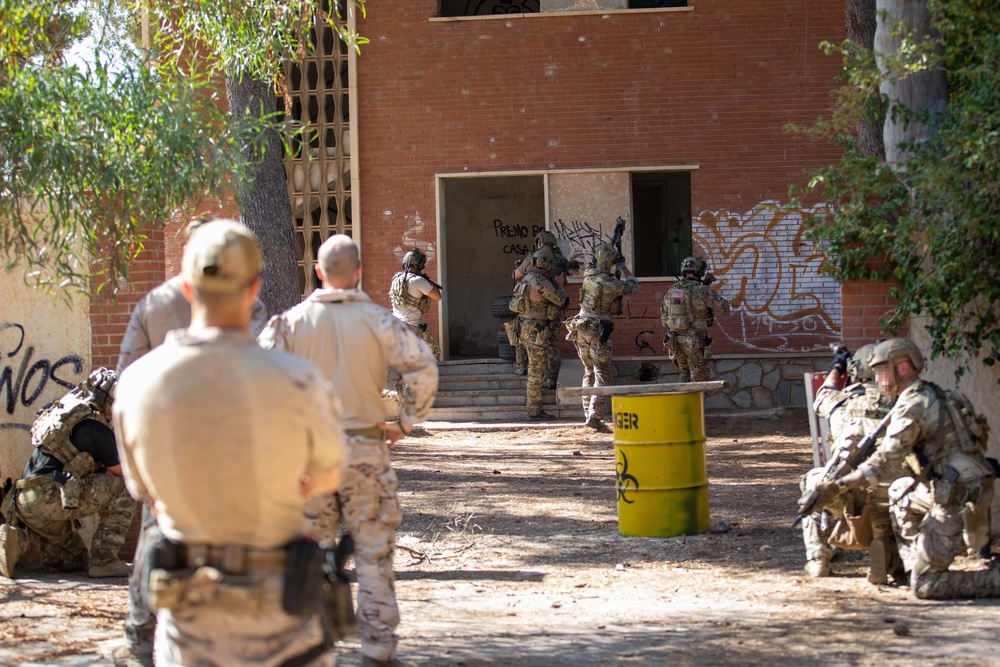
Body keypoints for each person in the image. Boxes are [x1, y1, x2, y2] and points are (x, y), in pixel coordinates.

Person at [113, 220, 346, 666]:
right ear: (255, 287)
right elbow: (328, 475)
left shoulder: (136, 384)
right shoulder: (297, 380)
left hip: (189, 609)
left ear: (185, 287)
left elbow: (145, 491)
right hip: (280, 605)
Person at [259, 234, 438, 667]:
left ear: (319, 272)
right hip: (366, 449)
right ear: (358, 272)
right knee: (374, 553)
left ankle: (311, 645)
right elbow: (424, 370)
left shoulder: (289, 323)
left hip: (310, 456)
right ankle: (378, 648)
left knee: (308, 552)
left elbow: (257, 380)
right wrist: (404, 424)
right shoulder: (380, 322)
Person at [113, 217, 270, 667]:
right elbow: (260, 357)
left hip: (168, 438)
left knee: (155, 534)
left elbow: (125, 379)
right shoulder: (247, 302)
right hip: (231, 435)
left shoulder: (154, 301)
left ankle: (142, 631)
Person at [813, 337, 997, 599]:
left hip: (956, 497)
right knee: (899, 490)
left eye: (881, 371)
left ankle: (989, 580)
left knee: (926, 587)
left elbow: (887, 460)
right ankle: (911, 565)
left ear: (902, 368)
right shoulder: (937, 393)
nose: (877, 379)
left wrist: (839, 485)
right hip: (966, 488)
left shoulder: (912, 404)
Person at [0, 369, 134, 580]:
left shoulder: (69, 418)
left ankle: (19, 542)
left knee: (76, 558)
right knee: (126, 486)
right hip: (48, 498)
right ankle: (104, 560)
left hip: (24, 501)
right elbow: (123, 472)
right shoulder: (95, 429)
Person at [799, 343, 902, 583]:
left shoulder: (839, 400)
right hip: (889, 491)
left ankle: (818, 559)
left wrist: (837, 365)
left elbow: (823, 394)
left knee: (813, 482)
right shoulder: (901, 402)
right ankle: (887, 557)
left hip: (843, 490)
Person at [564, 243, 638, 433]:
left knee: (588, 371)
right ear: (611, 262)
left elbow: (593, 264)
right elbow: (633, 286)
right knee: (602, 372)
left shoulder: (588, 276)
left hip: (581, 328)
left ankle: (587, 413)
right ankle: (595, 417)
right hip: (599, 331)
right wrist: (622, 266)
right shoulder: (612, 283)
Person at [511, 230, 580, 387]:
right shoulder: (560, 259)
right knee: (551, 343)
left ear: (539, 242)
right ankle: (551, 378)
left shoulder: (532, 259)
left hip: (532, 309)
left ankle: (522, 368)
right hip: (553, 307)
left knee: (524, 340)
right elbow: (572, 272)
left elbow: (515, 276)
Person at [509, 249, 568, 421]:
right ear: (543, 262)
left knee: (533, 368)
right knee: (537, 370)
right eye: (549, 263)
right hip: (536, 328)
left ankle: (532, 405)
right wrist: (560, 286)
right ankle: (534, 410)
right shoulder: (539, 280)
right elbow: (559, 299)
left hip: (523, 326)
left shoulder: (525, 278)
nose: (550, 266)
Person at [660, 255, 732, 382]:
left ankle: (684, 402)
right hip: (695, 342)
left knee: (684, 378)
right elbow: (724, 308)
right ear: (700, 271)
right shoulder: (701, 290)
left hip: (675, 342)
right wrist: (707, 289)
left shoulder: (673, 291)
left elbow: (664, 316)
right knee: (699, 382)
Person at [389, 246, 442, 361]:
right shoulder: (417, 280)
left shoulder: (395, 279)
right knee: (434, 353)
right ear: (418, 264)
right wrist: (427, 281)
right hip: (411, 327)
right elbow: (437, 296)